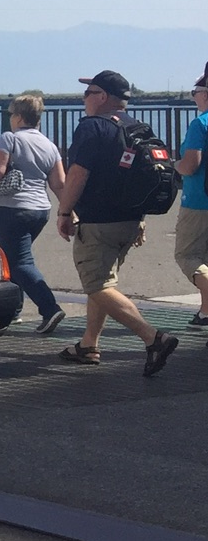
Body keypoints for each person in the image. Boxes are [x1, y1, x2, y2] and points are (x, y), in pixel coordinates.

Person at [55, 70, 180, 376]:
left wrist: (64, 211)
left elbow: (77, 174)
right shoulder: (137, 127)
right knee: (103, 283)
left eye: (88, 93)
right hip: (130, 221)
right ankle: (89, 345)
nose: (83, 99)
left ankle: (153, 338)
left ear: (102, 97)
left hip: (99, 221)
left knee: (96, 284)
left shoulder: (93, 128)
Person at [0, 93, 67, 334]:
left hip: (14, 209)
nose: (10, 119)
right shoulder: (48, 145)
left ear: (19, 117)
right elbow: (59, 183)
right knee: (14, 257)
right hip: (40, 209)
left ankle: (49, 308)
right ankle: (15, 310)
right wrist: (68, 211)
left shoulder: (9, 139)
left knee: (19, 262)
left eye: (11, 114)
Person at [176, 70, 208, 330]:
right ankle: (205, 312)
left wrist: (174, 165)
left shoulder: (200, 124)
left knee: (188, 256)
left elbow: (191, 165)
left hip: (199, 200)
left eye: (195, 93)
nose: (194, 97)